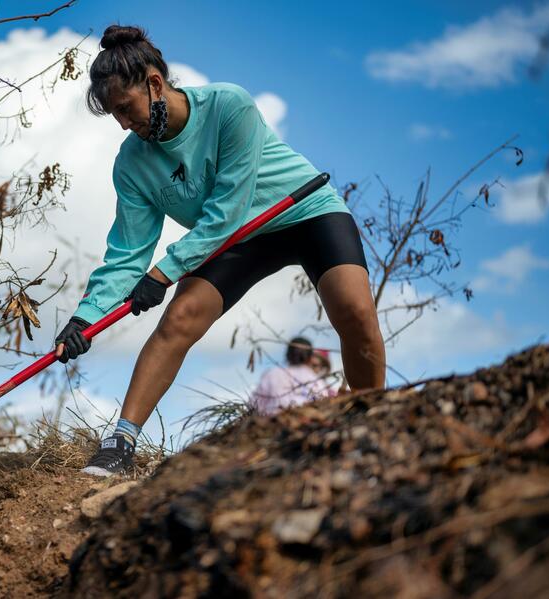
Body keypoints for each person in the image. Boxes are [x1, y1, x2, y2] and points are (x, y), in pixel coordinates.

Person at [54, 25, 385, 477]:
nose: (124, 124)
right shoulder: (131, 163)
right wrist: (85, 318)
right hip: (237, 239)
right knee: (180, 318)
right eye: (115, 115)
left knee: (355, 312)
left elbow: (227, 210)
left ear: (154, 84)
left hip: (303, 211)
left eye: (126, 109)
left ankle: (374, 421)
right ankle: (120, 444)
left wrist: (162, 274)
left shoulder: (229, 105)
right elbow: (127, 251)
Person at [249, 338, 330, 415]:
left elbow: (254, 405)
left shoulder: (271, 374)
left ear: (287, 355)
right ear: (310, 358)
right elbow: (324, 405)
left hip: (273, 423)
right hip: (308, 424)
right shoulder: (318, 381)